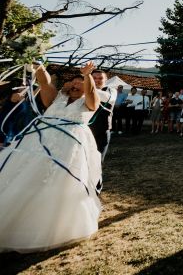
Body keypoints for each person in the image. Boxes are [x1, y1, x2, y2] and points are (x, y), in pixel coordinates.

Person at [0, 62, 104, 253]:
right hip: (37, 141)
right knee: (25, 175)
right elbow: (46, 84)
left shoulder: (90, 101)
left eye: (79, 84)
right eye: (72, 83)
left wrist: (88, 75)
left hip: (68, 145)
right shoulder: (57, 98)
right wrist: (39, 68)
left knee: (58, 182)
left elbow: (91, 97)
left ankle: (50, 226)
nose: (74, 86)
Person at [89, 69, 116, 162]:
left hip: (102, 130)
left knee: (97, 161)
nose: (97, 80)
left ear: (106, 80)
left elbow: (108, 98)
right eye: (94, 78)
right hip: (85, 130)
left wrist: (87, 87)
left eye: (100, 78)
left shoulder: (111, 90)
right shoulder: (85, 90)